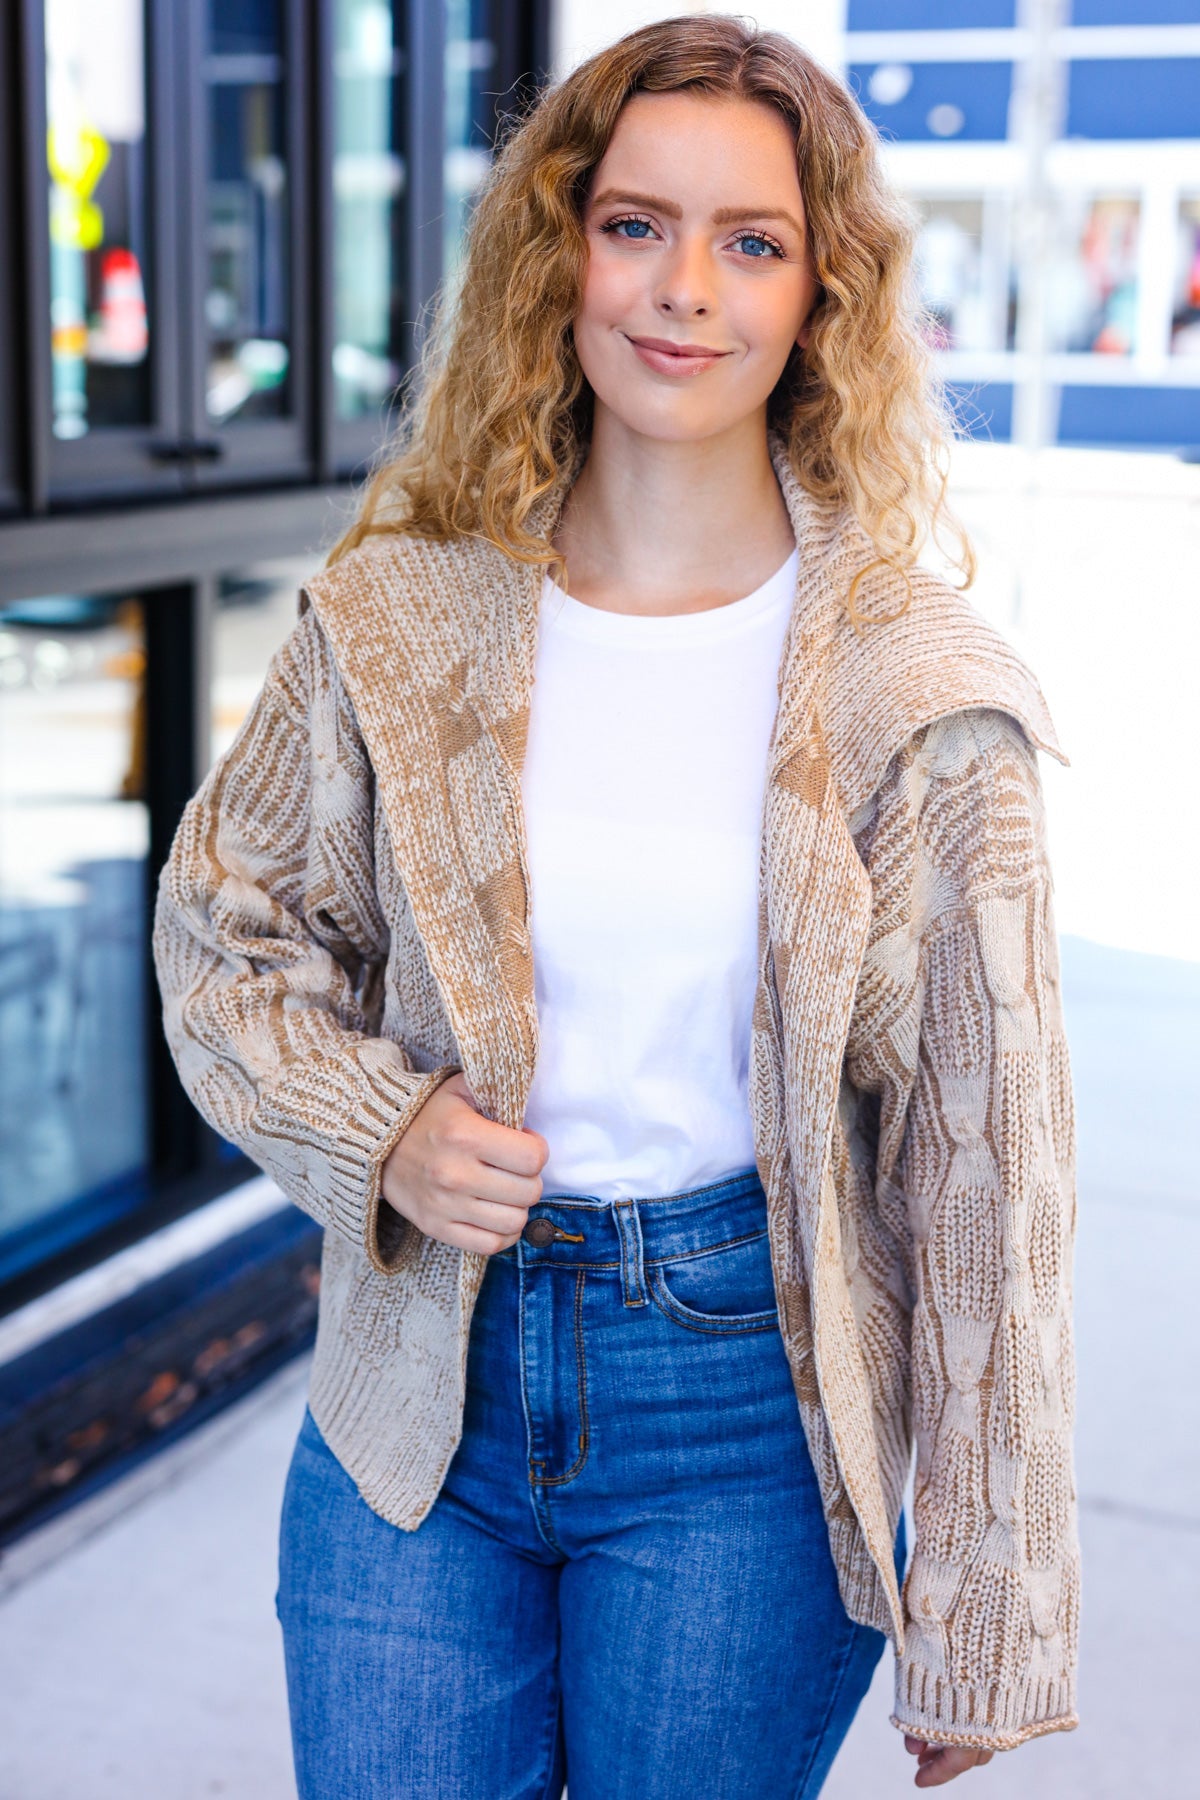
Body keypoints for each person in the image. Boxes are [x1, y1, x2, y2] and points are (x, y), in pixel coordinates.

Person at [152, 16, 1080, 1798]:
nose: (685, 290)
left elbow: (989, 1170)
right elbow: (223, 935)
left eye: (752, 242)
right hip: (421, 1387)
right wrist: (386, 1126)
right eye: (635, 222)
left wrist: (987, 1598)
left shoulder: (922, 694)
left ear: (823, 296)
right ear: (559, 246)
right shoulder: (400, 613)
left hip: (745, 1414)